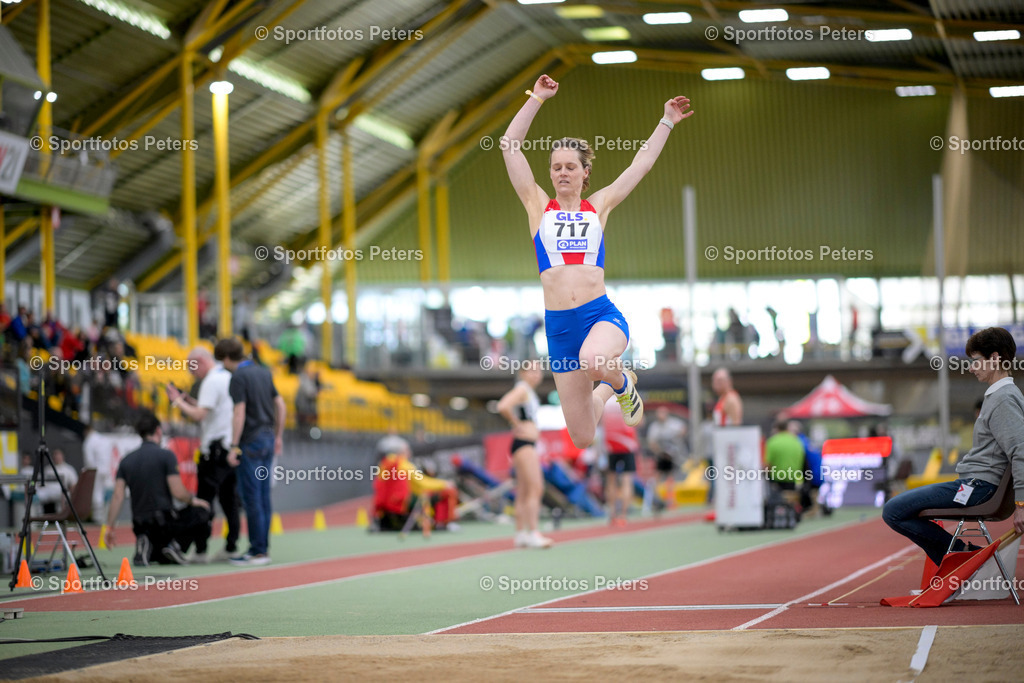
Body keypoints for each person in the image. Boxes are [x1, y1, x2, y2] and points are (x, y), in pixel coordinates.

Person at [502, 74, 692, 449]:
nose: (562, 173)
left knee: (593, 360)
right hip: (560, 329)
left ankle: (620, 383)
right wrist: (536, 98)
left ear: (585, 172)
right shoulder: (537, 206)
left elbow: (641, 165)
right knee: (583, 436)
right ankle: (616, 384)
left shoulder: (598, 206)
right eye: (556, 167)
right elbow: (510, 147)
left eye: (570, 167)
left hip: (599, 316)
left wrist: (666, 121)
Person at [883, 327, 1024, 566]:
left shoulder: (1003, 398)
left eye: (975, 361)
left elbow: (1020, 450)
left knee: (893, 510)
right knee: (897, 509)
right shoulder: (1001, 395)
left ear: (995, 357)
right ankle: (962, 557)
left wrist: (1021, 504)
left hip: (979, 487)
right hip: (976, 485)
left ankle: (962, 557)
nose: (970, 368)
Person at [104, 410, 210, 566]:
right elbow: (178, 492)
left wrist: (109, 527)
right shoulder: (166, 455)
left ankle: (147, 544)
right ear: (158, 431)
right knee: (202, 512)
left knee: (154, 543)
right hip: (164, 522)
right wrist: (194, 501)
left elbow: (118, 496)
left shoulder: (126, 460)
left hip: (140, 523)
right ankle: (174, 546)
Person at [168, 345, 240, 562]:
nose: (192, 374)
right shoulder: (227, 377)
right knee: (230, 501)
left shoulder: (210, 381)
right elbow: (213, 409)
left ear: (199, 361)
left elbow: (199, 415)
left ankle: (200, 549)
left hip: (214, 451)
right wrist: (190, 401)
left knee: (203, 501)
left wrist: (177, 401)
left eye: (192, 368)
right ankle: (231, 546)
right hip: (229, 448)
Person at [221, 337, 286, 566]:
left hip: (250, 441)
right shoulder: (264, 372)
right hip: (267, 437)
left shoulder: (238, 377)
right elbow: (281, 405)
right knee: (263, 495)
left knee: (251, 497)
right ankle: (262, 549)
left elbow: (239, 412)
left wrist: (233, 446)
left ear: (226, 358)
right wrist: (278, 436)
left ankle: (257, 551)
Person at [496, 361, 553, 549]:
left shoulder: (527, 391)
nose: (537, 374)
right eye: (532, 370)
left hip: (523, 445)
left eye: (539, 371)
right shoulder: (522, 389)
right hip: (524, 444)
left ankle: (521, 534)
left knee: (523, 490)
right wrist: (516, 424)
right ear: (522, 372)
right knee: (536, 488)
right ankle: (533, 532)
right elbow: (503, 406)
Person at [602, 397, 640, 526]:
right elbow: (639, 420)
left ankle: (612, 514)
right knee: (626, 480)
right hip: (627, 444)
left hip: (611, 443)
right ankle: (623, 515)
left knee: (611, 480)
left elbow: (600, 422)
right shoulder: (628, 396)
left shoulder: (605, 399)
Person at [646, 406, 688, 508]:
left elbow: (683, 429)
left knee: (671, 478)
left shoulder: (674, 424)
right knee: (657, 477)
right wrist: (660, 452)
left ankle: (670, 500)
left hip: (672, 456)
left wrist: (676, 440)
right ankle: (656, 499)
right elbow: (651, 442)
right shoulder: (655, 427)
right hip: (661, 456)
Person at [764, 420, 806, 493]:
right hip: (794, 480)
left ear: (776, 429)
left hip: (777, 481)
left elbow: (767, 465)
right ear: (787, 428)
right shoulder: (797, 441)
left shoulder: (772, 442)